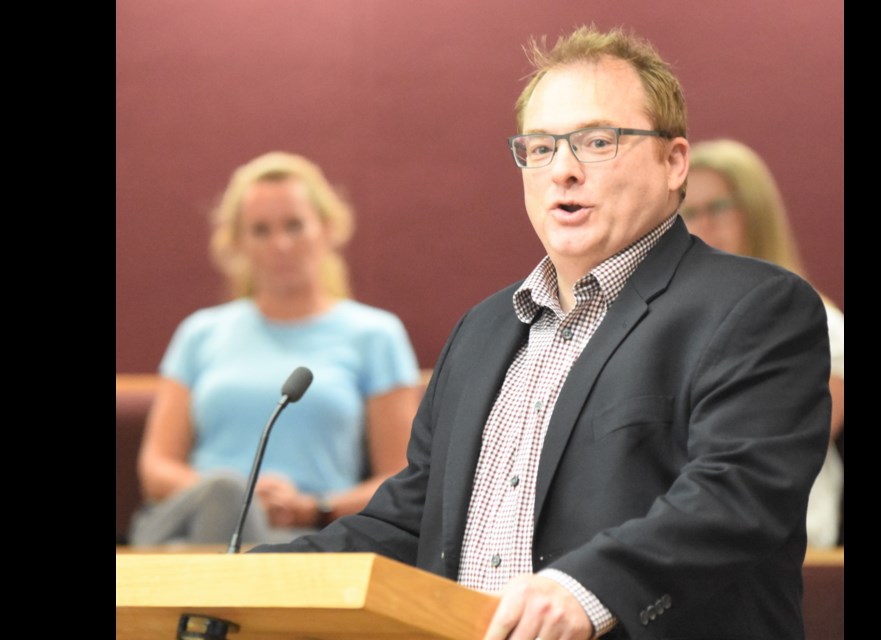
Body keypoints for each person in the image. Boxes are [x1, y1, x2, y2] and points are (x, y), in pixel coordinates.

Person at [253, 26, 831, 640]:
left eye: (597, 142)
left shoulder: (754, 307)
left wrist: (588, 590)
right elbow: (412, 520)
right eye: (541, 148)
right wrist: (253, 582)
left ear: (673, 162)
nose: (563, 171)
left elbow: (736, 497)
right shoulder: (483, 329)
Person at [130, 151, 422, 546]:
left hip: (307, 536)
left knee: (266, 550)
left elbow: (400, 478)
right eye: (261, 230)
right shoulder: (200, 333)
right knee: (227, 496)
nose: (281, 244)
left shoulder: (375, 335)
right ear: (238, 243)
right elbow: (156, 469)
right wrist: (240, 497)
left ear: (327, 229)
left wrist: (314, 506)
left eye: (294, 225)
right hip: (186, 532)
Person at [683, 138, 844, 548]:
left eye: (717, 208)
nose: (702, 226)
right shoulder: (674, 327)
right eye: (687, 213)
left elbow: (779, 447)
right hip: (694, 545)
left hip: (789, 550)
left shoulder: (818, 324)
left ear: (755, 213)